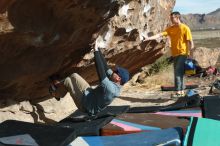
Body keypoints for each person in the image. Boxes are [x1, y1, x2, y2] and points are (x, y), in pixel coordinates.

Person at [49, 40, 130, 116]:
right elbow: (105, 67)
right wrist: (97, 48)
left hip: (86, 106)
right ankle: (60, 89)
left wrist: (95, 51)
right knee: (74, 76)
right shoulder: (114, 80)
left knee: (67, 81)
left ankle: (55, 94)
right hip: (90, 94)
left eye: (116, 72)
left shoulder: (111, 89)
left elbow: (100, 70)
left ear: (118, 79)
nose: (114, 71)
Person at [144, 11, 194, 98]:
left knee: (178, 72)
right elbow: (160, 35)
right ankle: (181, 91)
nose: (171, 20)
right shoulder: (170, 29)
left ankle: (178, 91)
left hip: (183, 53)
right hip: (175, 54)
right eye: (170, 18)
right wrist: (148, 38)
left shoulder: (185, 28)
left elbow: (191, 42)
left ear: (177, 18)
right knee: (179, 72)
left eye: (172, 18)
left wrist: (190, 54)